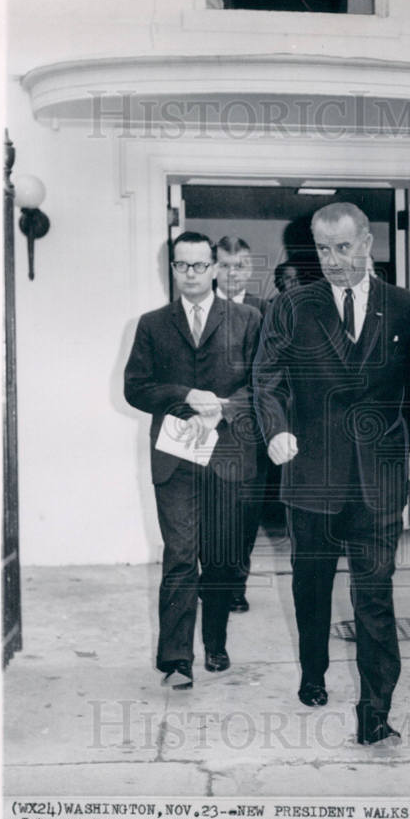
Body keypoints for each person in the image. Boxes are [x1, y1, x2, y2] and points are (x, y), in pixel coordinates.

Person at [253, 202, 410, 745]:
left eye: (343, 247)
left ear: (368, 243)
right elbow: (268, 377)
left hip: (378, 475)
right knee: (311, 587)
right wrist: (276, 428)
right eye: (323, 249)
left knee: (375, 594)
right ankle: (313, 669)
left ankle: (375, 710)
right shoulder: (292, 305)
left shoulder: (404, 307)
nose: (332, 260)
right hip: (311, 472)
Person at [124, 231, 261, 687]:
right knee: (181, 555)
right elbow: (136, 387)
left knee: (221, 558)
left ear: (216, 268)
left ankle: (216, 643)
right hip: (176, 457)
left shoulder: (247, 320)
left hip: (227, 454)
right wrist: (186, 395)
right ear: (173, 268)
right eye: (182, 266)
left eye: (200, 266)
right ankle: (177, 659)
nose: (191, 275)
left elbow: (264, 386)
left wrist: (222, 407)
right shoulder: (152, 324)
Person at [215, 234, 268, 611]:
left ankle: (236, 584)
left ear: (251, 268)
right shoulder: (194, 308)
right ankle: (212, 582)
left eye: (241, 266)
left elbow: (271, 373)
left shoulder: (267, 311)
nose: (233, 274)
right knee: (208, 512)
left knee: (246, 512)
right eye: (225, 265)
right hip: (203, 431)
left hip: (250, 430)